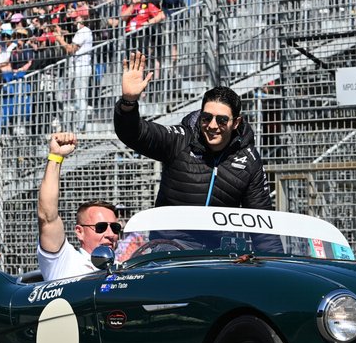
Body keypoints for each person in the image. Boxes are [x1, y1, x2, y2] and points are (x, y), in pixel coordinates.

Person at [114, 51, 273, 210]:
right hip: (171, 234)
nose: (212, 125)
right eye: (206, 117)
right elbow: (134, 134)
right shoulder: (180, 140)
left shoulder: (249, 159)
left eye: (222, 120)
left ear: (236, 122)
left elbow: (261, 218)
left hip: (218, 236)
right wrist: (128, 102)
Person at [36, 131, 122, 281]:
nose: (110, 234)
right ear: (79, 232)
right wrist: (56, 156)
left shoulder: (124, 268)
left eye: (115, 228)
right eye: (101, 227)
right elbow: (47, 216)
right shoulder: (65, 261)